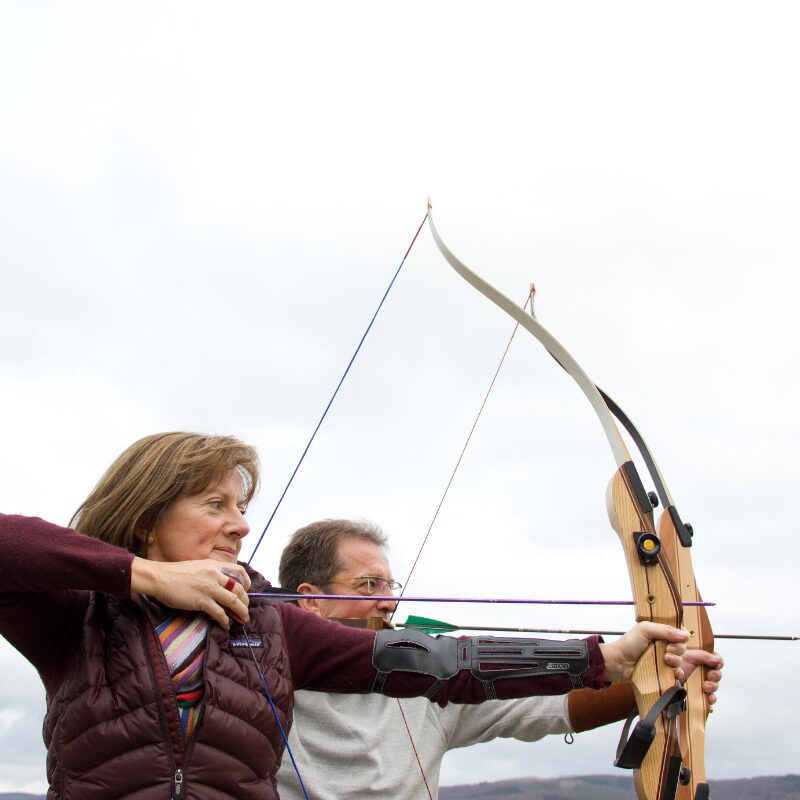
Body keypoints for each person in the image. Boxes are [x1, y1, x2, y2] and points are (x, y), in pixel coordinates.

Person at [0, 432, 694, 800]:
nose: (241, 527)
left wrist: (599, 658)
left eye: (242, 508)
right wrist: (141, 576)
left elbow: (432, 665)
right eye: (215, 505)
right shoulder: (78, 618)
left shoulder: (266, 625)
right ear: (148, 518)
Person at [277, 519, 724, 800]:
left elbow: (561, 706)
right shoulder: (252, 667)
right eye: (367, 586)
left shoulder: (432, 677)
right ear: (310, 602)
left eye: (389, 587)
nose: (387, 603)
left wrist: (661, 681)